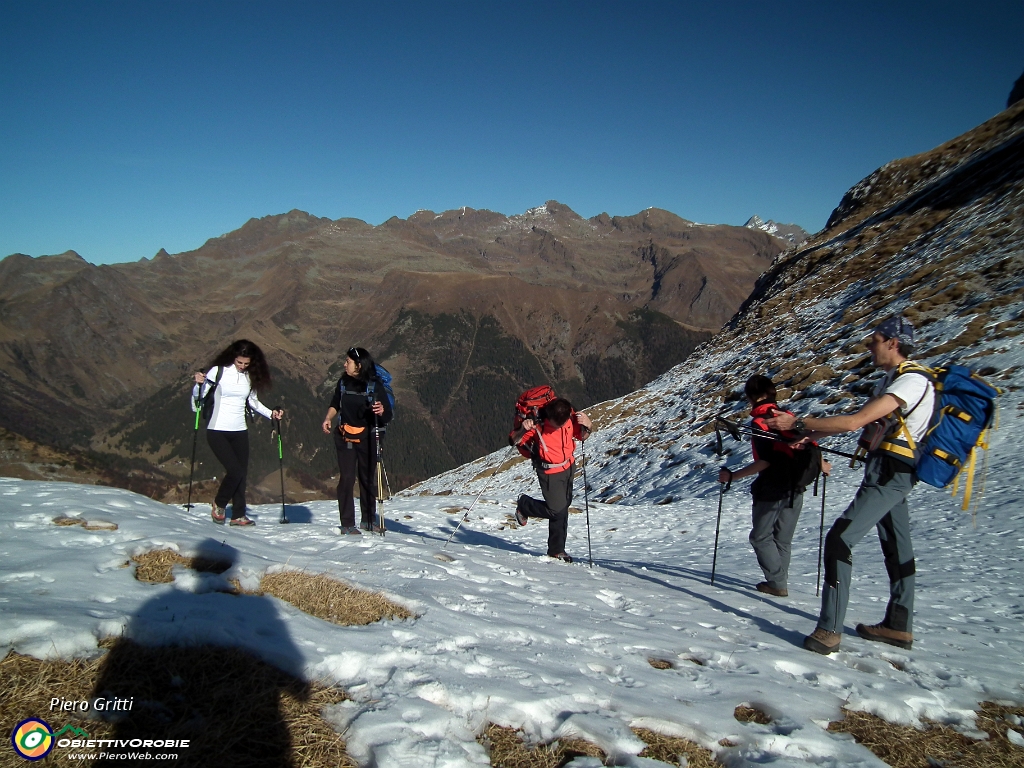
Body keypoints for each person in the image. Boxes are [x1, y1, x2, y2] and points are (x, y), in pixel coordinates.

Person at [766, 315, 934, 654]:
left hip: (890, 474)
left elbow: (855, 421)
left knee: (839, 540)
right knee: (898, 549)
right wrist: (809, 435)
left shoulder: (911, 381)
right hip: (888, 471)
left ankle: (829, 630)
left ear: (893, 343)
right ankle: (898, 626)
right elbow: (862, 425)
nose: (869, 346)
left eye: (874, 340)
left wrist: (797, 422)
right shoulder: (894, 380)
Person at [718, 375, 831, 598]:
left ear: (752, 397)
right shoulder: (787, 417)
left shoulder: (759, 423)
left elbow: (765, 461)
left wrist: (733, 476)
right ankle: (779, 581)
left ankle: (777, 583)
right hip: (796, 486)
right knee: (782, 539)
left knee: (760, 537)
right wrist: (822, 464)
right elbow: (809, 443)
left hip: (772, 488)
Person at [192, 339, 284, 526]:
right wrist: (197, 385)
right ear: (232, 357)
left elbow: (253, 401)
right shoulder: (218, 372)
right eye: (239, 362)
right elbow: (198, 400)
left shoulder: (249, 377)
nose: (242, 367)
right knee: (234, 471)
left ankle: (238, 515)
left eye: (246, 364)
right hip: (217, 429)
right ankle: (219, 503)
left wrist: (271, 414)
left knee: (241, 473)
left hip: (240, 431)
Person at [509, 397, 592, 562]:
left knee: (563, 507)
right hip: (549, 473)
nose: (561, 426)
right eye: (557, 424)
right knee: (556, 510)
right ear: (549, 417)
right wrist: (523, 429)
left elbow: (582, 435)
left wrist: (588, 425)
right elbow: (514, 440)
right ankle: (525, 505)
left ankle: (557, 550)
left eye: (564, 423)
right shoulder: (538, 426)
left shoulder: (568, 419)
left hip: (569, 467)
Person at [321, 347, 393, 534]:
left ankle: (368, 520)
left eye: (348, 362)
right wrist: (328, 418)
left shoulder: (374, 385)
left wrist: (382, 411)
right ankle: (347, 523)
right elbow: (335, 403)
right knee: (346, 479)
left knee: (367, 479)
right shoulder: (343, 382)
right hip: (345, 435)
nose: (345, 364)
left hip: (368, 438)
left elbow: (387, 416)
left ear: (359, 365)